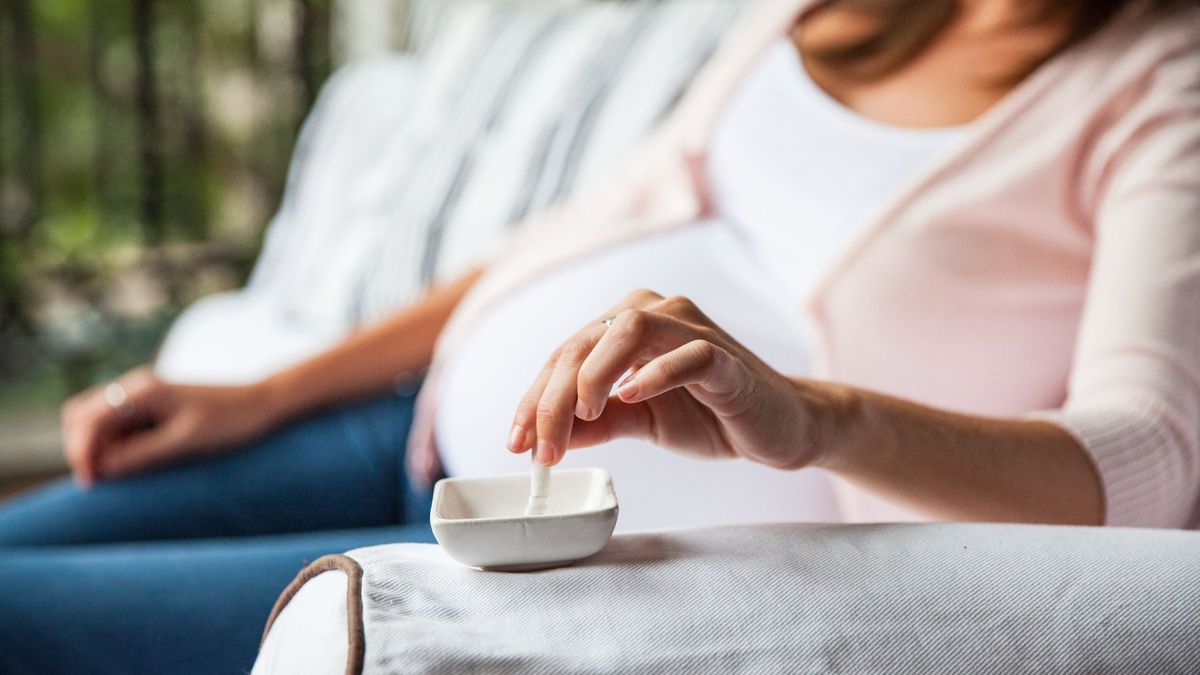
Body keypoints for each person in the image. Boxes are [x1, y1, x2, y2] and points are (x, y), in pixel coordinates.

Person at [3, 0, 1199, 672]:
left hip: (548, 553)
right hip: (413, 430)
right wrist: (266, 392)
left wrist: (814, 415)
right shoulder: (830, 19)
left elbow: (1145, 463)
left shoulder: (1161, 81)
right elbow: (588, 226)